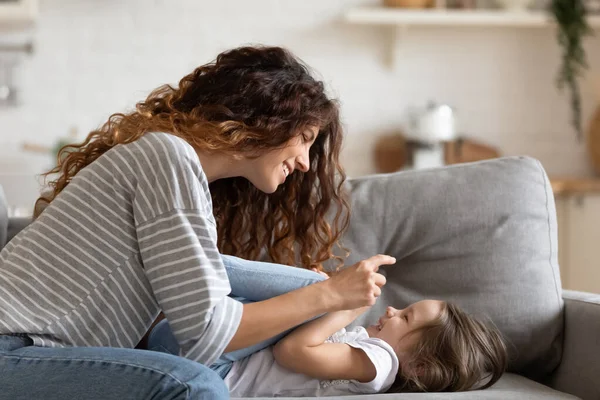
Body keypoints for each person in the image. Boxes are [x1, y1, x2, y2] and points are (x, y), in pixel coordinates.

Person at [0, 46, 396, 400]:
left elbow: (207, 305)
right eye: (306, 137)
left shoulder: (181, 175)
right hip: (11, 349)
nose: (307, 162)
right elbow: (207, 333)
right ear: (269, 117)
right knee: (190, 385)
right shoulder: (166, 158)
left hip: (35, 353)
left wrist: (325, 290)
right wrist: (329, 296)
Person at [147, 256, 508, 397]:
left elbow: (291, 352)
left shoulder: (379, 364)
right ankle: (191, 262)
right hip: (196, 348)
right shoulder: (370, 350)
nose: (394, 310)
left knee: (313, 290)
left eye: (407, 318)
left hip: (208, 364)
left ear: (421, 366)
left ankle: (186, 257)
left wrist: (340, 303)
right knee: (313, 290)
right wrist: (326, 297)